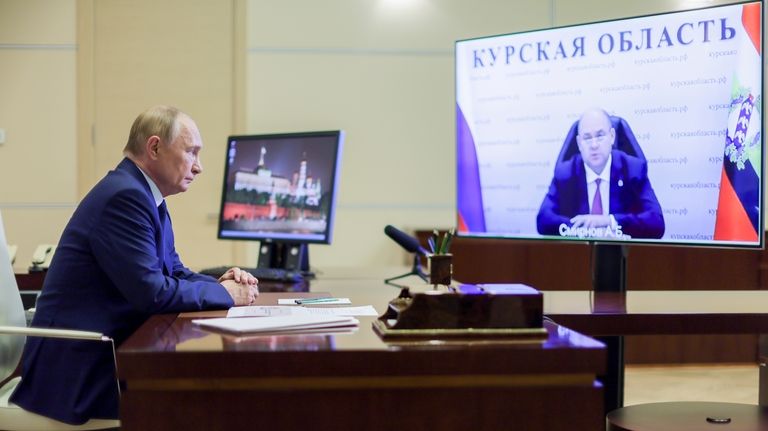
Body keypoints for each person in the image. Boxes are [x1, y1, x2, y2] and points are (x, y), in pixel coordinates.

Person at [10, 105, 259, 424]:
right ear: (154, 147)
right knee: (202, 404)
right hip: (80, 371)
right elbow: (151, 293)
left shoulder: (145, 195)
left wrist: (220, 283)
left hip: (105, 352)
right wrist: (227, 295)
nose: (199, 167)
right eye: (191, 152)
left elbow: (174, 271)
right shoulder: (124, 198)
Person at [536, 108, 665, 239]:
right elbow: (543, 220)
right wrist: (584, 229)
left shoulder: (633, 170)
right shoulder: (566, 173)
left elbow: (656, 223)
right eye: (587, 138)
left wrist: (609, 222)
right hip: (579, 254)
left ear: (612, 137)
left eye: (600, 135)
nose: (594, 145)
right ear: (579, 143)